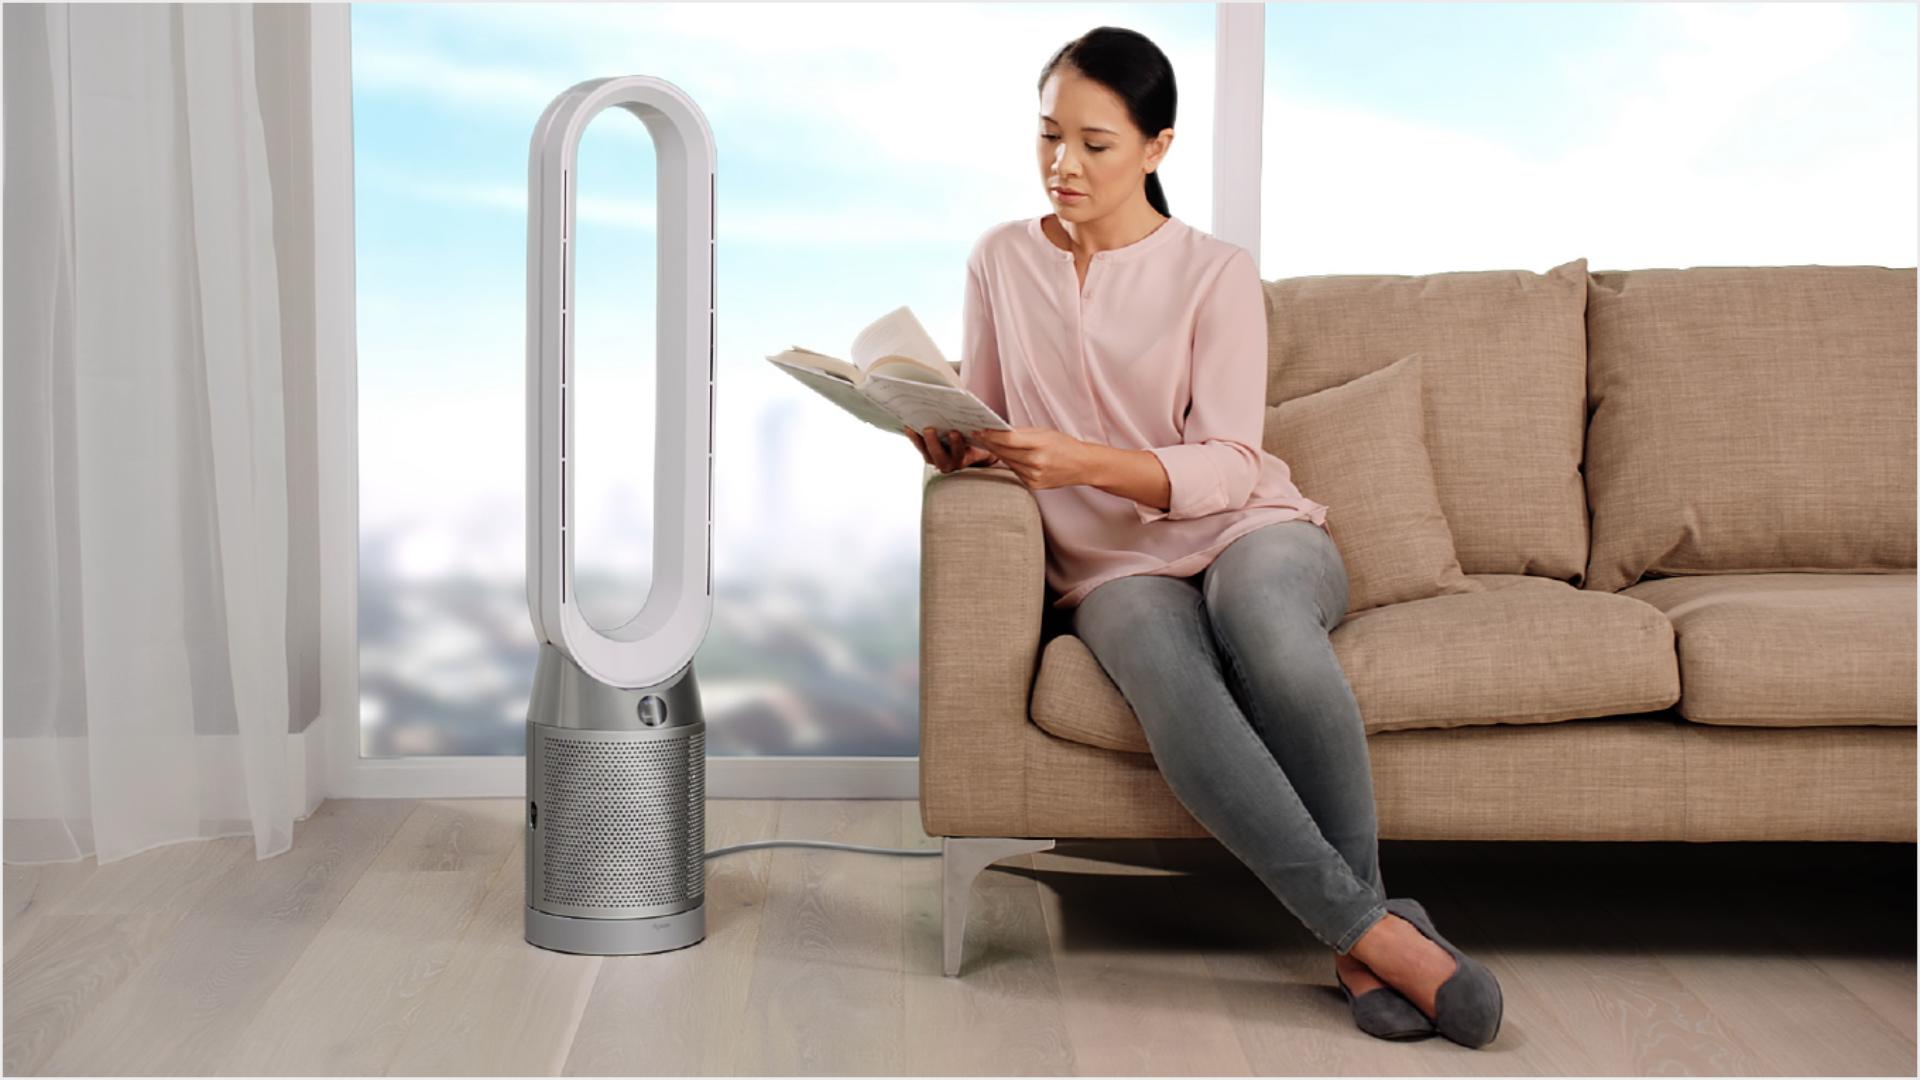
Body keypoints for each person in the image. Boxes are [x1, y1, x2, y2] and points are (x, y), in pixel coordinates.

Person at [905, 26, 1502, 1049]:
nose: (1063, 165)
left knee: (1265, 626)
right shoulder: (1000, 260)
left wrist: (1088, 462)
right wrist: (948, 438)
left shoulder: (1213, 271)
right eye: (1049, 137)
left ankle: (1360, 933)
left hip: (1250, 530)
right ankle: (1372, 932)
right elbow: (994, 419)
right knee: (1165, 674)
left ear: (1158, 147)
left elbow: (1229, 459)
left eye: (1094, 144)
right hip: (1104, 569)